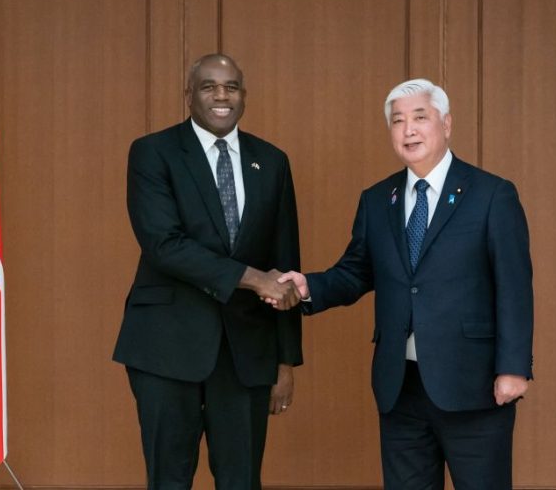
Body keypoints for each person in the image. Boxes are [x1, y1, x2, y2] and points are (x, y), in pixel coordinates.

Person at [278, 79, 533, 489]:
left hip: (473, 383)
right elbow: (356, 272)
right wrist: (309, 286)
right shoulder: (378, 199)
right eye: (397, 121)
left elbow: (514, 287)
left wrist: (514, 367)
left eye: (419, 117)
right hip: (400, 386)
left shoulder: (491, 194)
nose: (408, 130)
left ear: (446, 124)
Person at [113, 54, 302, 490]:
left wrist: (285, 360)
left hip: (246, 352)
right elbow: (164, 244)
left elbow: (285, 263)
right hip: (165, 345)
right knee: (169, 478)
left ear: (243, 96)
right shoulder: (153, 152)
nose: (222, 96)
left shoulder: (272, 160)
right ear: (189, 95)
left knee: (242, 480)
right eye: (209, 86)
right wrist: (253, 278)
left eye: (231, 87)